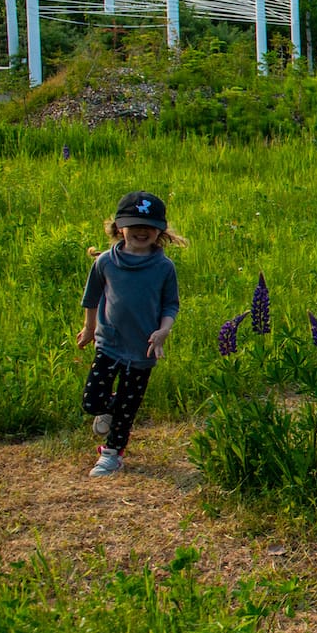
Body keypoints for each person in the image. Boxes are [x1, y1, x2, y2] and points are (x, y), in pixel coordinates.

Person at [76, 189, 182, 477]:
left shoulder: (163, 267)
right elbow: (92, 298)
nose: (140, 231)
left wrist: (163, 331)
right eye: (133, 225)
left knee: (128, 409)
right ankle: (109, 408)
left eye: (148, 226)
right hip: (108, 343)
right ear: (119, 227)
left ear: (159, 231)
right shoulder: (106, 262)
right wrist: (89, 329)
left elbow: (171, 305)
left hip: (143, 350)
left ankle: (111, 455)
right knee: (91, 402)